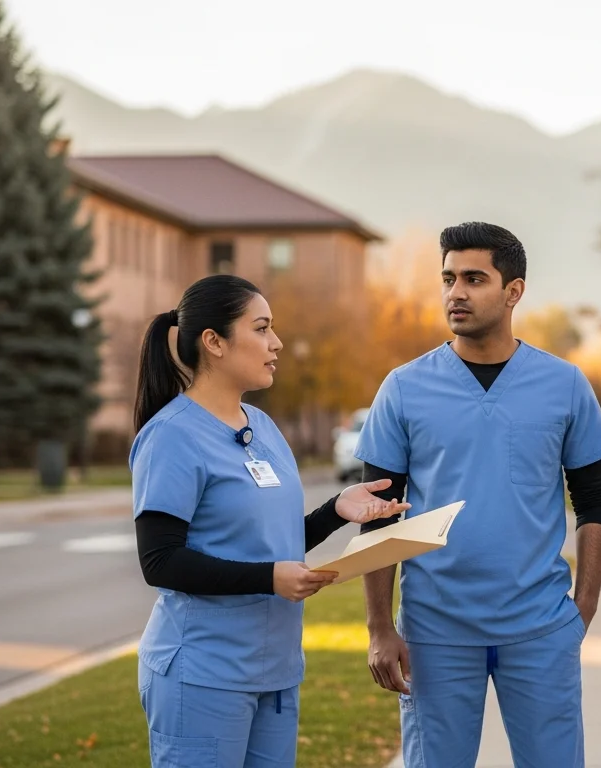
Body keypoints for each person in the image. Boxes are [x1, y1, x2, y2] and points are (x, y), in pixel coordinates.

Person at [354, 222, 601, 767]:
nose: (456, 292)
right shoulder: (403, 387)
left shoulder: (565, 384)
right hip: (434, 631)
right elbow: (377, 517)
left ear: (513, 291)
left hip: (540, 627)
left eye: (474, 278)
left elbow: (595, 502)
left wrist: (583, 608)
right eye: (448, 278)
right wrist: (381, 626)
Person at [130, 275, 408, 768]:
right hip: (204, 672)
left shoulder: (261, 427)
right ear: (214, 342)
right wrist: (269, 579)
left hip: (274, 673)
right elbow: (160, 561)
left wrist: (336, 510)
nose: (275, 342)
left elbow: (269, 542)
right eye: (261, 329)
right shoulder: (171, 436)